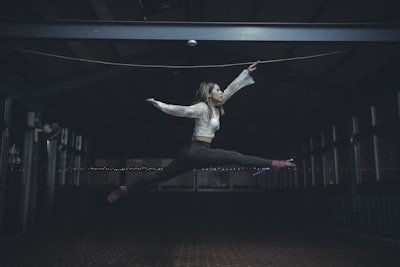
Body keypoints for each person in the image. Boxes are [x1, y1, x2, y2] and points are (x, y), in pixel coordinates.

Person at [108, 61, 295, 203]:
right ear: (209, 94)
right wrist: (161, 104)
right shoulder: (202, 108)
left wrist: (245, 72)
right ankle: (274, 163)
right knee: (235, 156)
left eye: (221, 90)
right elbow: (182, 111)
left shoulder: (216, 106)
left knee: (160, 176)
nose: (221, 92)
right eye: (218, 90)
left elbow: (231, 89)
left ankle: (126, 188)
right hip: (196, 151)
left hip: (192, 153)